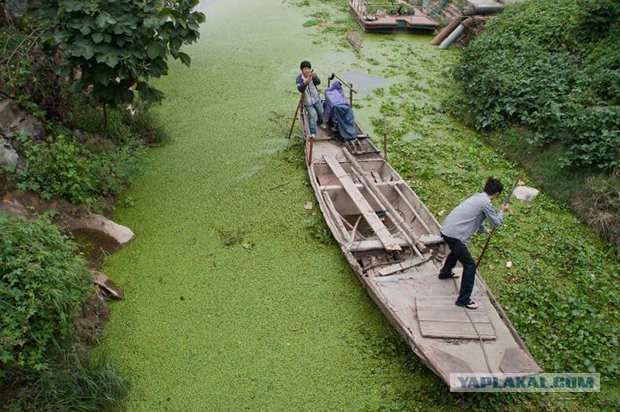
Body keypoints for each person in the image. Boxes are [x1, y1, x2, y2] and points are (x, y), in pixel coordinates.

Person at [438, 177, 509, 310]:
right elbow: (496, 222)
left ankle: (445, 273)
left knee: (456, 251)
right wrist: (501, 211)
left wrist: (484, 230)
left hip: (447, 230)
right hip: (455, 235)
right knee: (470, 265)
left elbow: (477, 217)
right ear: (497, 194)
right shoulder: (486, 203)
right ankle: (463, 300)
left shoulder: (477, 197)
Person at [295, 60, 325, 138]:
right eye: (305, 69)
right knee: (312, 115)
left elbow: (318, 82)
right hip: (307, 101)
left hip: (316, 98)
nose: (307, 70)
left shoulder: (312, 76)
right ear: (301, 70)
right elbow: (300, 89)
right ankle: (313, 133)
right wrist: (306, 82)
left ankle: (320, 122)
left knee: (321, 112)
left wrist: (314, 77)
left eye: (308, 68)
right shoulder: (298, 79)